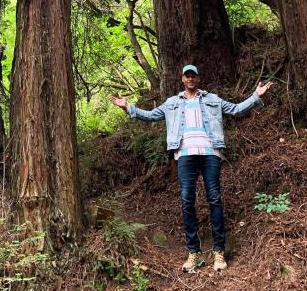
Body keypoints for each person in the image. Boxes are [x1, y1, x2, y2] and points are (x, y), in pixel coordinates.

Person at [111, 64, 272, 272]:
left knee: (214, 198)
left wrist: (256, 96)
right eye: (187, 76)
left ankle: (218, 252)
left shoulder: (212, 99)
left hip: (210, 152)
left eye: (193, 75)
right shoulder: (171, 103)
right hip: (185, 154)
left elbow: (235, 110)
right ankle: (194, 252)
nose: (190, 79)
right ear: (182, 79)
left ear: (198, 78)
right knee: (187, 200)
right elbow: (151, 115)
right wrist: (128, 107)